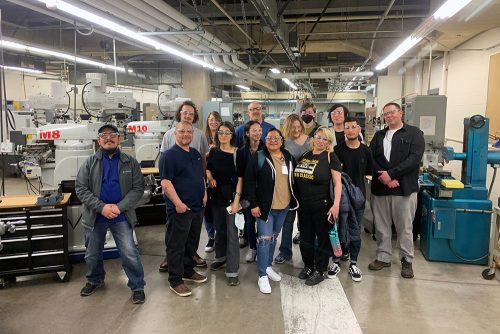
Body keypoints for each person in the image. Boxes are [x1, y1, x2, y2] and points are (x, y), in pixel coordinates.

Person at [76, 124, 146, 304]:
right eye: (104, 135)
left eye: (112, 135)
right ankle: (95, 280)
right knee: (92, 253)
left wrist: (119, 207)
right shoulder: (89, 163)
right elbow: (81, 189)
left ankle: (137, 286)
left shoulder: (130, 162)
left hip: (121, 216)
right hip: (95, 217)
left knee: (129, 252)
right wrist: (102, 208)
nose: (108, 138)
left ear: (119, 138)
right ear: (99, 140)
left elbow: (138, 189)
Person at [368, 102, 424, 279]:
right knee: (382, 226)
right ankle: (383, 257)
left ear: (400, 113)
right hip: (381, 188)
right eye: (385, 114)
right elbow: (371, 157)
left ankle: (406, 260)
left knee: (405, 227)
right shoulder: (379, 135)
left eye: (392, 112)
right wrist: (383, 177)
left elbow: (414, 159)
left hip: (404, 188)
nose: (389, 116)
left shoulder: (414, 133)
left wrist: (391, 175)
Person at [244, 128, 298, 294]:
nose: (273, 140)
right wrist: (253, 204)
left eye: (276, 137)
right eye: (269, 138)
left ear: (282, 141)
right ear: (265, 141)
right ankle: (262, 276)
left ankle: (267, 267)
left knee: (274, 237)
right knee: (265, 240)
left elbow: (294, 179)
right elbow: (249, 182)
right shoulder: (258, 157)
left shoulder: (288, 157)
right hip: (265, 208)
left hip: (283, 207)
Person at [158, 101, 209, 272]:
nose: (188, 116)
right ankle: (173, 264)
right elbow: (166, 175)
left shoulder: (198, 139)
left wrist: (204, 191)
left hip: (195, 197)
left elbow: (202, 163)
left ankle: (189, 262)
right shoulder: (169, 137)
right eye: (185, 112)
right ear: (179, 114)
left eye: (191, 114)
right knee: (175, 235)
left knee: (192, 234)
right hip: (177, 196)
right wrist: (177, 202)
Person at [294, 126, 342, 286]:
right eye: (318, 137)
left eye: (325, 139)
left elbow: (337, 184)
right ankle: (308, 265)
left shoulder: (330, 157)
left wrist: (336, 205)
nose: (320, 141)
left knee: (322, 238)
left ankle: (320, 269)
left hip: (322, 206)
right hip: (304, 206)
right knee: (305, 238)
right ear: (313, 138)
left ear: (328, 142)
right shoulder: (304, 155)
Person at [332, 116, 373, 282]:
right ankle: (335, 259)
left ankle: (353, 263)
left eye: (353, 127)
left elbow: (369, 174)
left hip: (358, 197)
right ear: (344, 131)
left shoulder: (366, 151)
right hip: (340, 197)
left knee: (355, 230)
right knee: (336, 229)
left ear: (358, 130)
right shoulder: (337, 151)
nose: (350, 130)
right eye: (347, 127)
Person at [206, 121, 242, 286]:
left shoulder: (237, 153)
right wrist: (210, 177)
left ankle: (233, 270)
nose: (223, 135)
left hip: (231, 198)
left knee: (232, 234)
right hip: (216, 197)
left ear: (232, 135)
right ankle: (220, 257)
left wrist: (236, 201)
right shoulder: (213, 151)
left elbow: (241, 178)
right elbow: (208, 168)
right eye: (220, 132)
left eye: (227, 132)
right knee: (219, 229)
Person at [274, 114, 311, 264]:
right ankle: (285, 251)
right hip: (290, 186)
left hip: (308, 186)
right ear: (288, 127)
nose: (296, 129)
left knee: (307, 221)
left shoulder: (310, 141)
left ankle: (308, 252)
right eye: (293, 127)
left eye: (298, 126)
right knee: (288, 221)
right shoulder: (285, 143)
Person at [237, 121, 264, 262]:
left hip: (263, 194)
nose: (258, 133)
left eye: (260, 130)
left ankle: (261, 248)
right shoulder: (241, 152)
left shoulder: (266, 150)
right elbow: (240, 176)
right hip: (248, 194)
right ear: (247, 133)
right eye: (254, 130)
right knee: (249, 222)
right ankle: (252, 248)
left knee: (262, 223)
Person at [202, 111, 223, 253]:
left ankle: (221, 236)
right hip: (205, 177)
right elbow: (198, 156)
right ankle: (211, 237)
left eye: (215, 119)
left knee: (220, 208)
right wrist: (208, 153)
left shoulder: (224, 135)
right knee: (207, 209)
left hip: (221, 178)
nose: (213, 122)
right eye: (210, 120)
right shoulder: (203, 137)